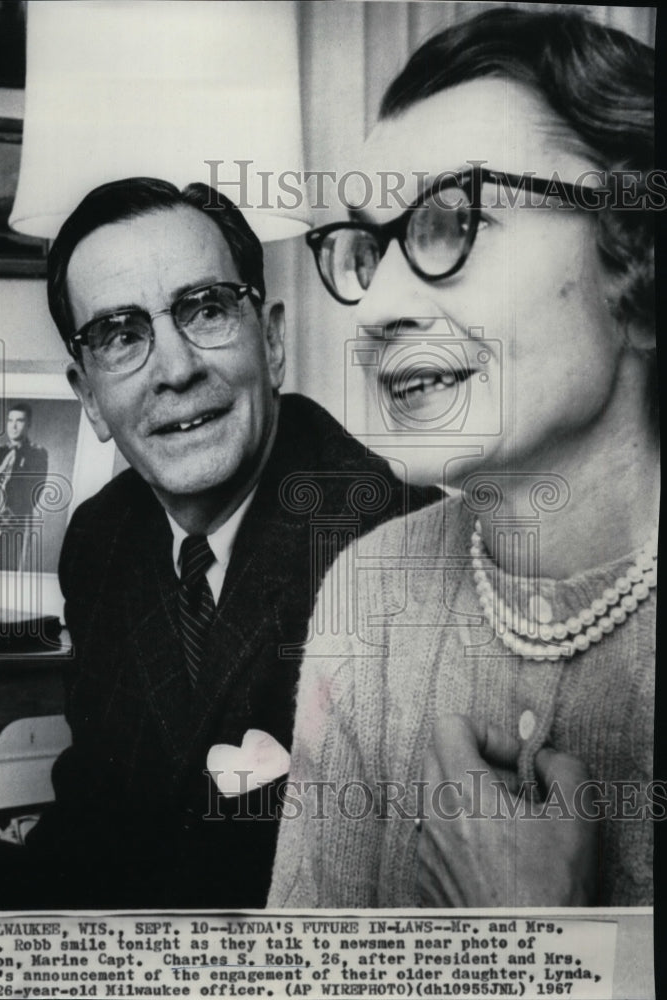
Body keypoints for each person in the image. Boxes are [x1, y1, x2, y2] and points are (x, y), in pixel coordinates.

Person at [268, 8, 658, 908]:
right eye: (368, 247)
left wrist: (538, 943)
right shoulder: (370, 591)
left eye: (452, 219)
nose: (374, 308)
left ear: (636, 264)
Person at [13, 177, 441, 910]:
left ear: (271, 341)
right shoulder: (100, 538)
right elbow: (94, 818)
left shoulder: (398, 549)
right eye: (121, 336)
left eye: (206, 310)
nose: (176, 370)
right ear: (87, 396)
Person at [0, 401, 49, 571]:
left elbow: (32, 496)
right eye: (10, 421)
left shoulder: (36, 454)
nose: (14, 426)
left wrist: (0, 524)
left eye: (20, 421)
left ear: (28, 424)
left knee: (8, 580)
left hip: (15, 526)